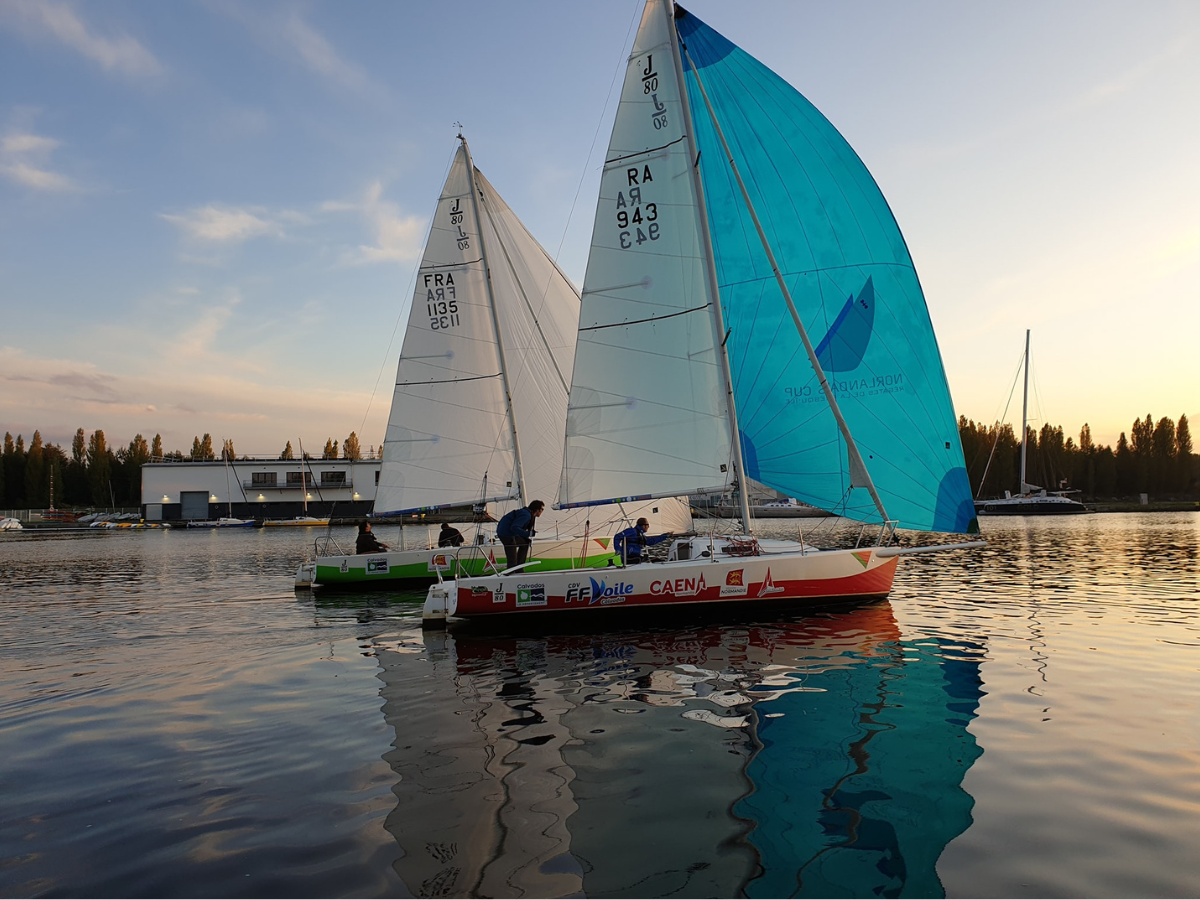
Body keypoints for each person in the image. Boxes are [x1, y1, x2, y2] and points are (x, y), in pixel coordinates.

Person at [495, 500, 544, 570]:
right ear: (537, 509)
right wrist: (528, 534)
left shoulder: (527, 513)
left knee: (525, 543)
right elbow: (514, 527)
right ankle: (512, 573)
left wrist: (526, 535)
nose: (542, 511)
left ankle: (519, 568)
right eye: (542, 509)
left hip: (507, 532)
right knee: (512, 559)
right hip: (506, 534)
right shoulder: (526, 515)